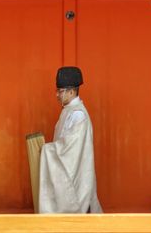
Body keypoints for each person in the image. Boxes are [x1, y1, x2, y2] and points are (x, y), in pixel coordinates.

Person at [39, 66, 102, 213]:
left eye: (60, 91)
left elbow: (70, 151)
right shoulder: (69, 111)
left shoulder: (78, 115)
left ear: (72, 91)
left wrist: (47, 150)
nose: (57, 95)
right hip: (71, 174)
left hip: (77, 181)